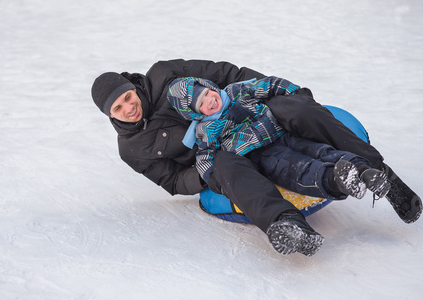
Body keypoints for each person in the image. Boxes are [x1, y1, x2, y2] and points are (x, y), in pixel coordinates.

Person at [91, 59, 421, 256]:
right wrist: (205, 174)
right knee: (227, 165)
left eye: (127, 97)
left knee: (295, 108)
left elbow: (227, 74)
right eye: (118, 108)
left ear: (132, 87)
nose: (128, 108)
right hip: (222, 153)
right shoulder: (131, 148)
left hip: (246, 113)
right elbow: (172, 181)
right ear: (110, 115)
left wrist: (277, 92)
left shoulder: (165, 75)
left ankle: (381, 174)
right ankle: (286, 225)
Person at [167, 76, 391, 255]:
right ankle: (332, 187)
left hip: (282, 132)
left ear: (211, 87)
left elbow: (268, 85)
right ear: (196, 114)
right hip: (263, 156)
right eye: (201, 104)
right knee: (299, 170)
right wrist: (217, 180)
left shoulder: (236, 91)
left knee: (320, 151)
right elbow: (205, 160)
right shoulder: (205, 131)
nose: (209, 100)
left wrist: (297, 95)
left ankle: (362, 172)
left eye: (207, 93)